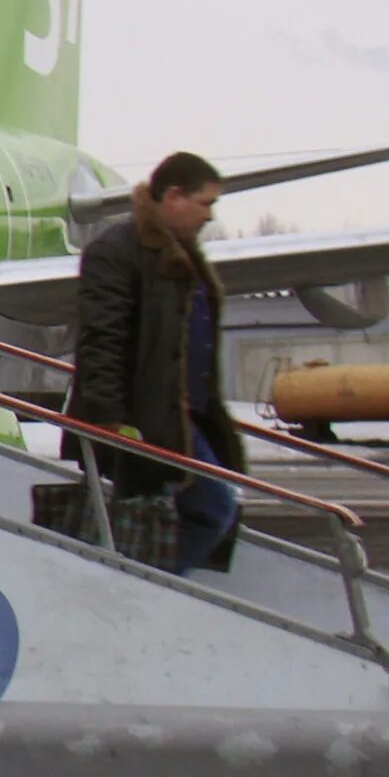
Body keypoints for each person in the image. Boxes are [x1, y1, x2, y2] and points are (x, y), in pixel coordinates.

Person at [67, 151, 244, 573]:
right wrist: (107, 417)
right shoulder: (117, 251)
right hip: (148, 417)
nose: (209, 217)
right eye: (205, 204)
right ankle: (151, 589)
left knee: (194, 510)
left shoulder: (180, 254)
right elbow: (102, 339)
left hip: (186, 416)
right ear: (174, 195)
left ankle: (147, 583)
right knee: (213, 507)